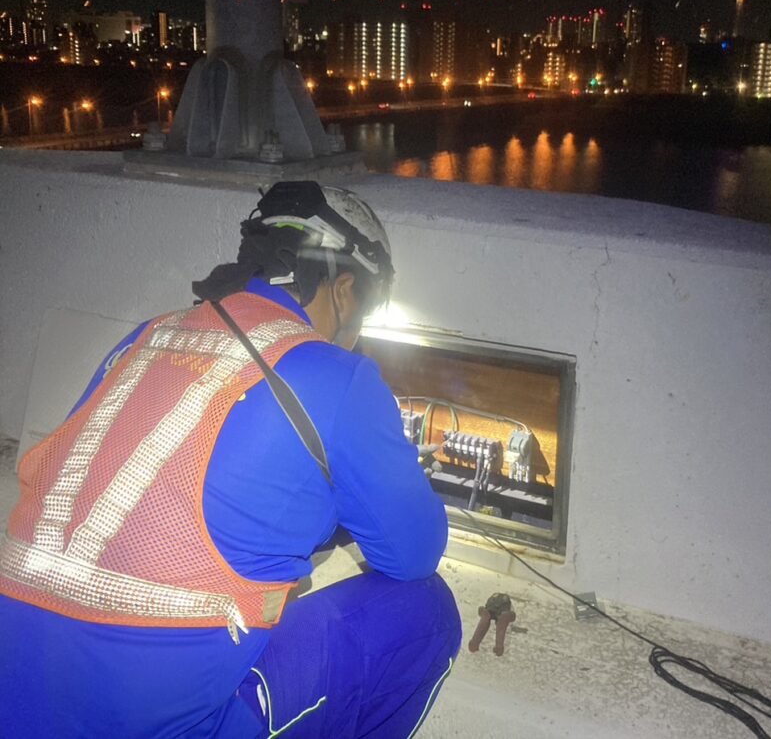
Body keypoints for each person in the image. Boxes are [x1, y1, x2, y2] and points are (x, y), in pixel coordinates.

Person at [0, 181, 461, 738]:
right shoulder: (339, 376)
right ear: (344, 290)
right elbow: (414, 555)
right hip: (159, 725)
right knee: (425, 612)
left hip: (15, 691)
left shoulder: (147, 335)